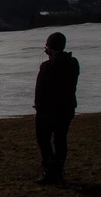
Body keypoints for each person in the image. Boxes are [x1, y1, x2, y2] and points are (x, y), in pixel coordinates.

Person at [34, 32, 80, 185]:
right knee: (60, 139)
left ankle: (49, 169)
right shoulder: (73, 63)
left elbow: (40, 90)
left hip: (48, 111)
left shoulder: (47, 66)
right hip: (66, 109)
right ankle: (58, 170)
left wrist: (39, 108)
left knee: (43, 139)